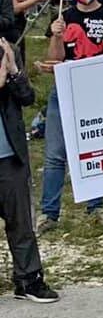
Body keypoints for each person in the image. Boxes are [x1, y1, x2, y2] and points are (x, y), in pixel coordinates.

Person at [36, 0, 103, 230]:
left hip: (94, 92)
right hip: (63, 91)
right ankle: (49, 213)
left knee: (93, 151)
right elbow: (55, 58)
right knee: (55, 155)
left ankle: (96, 206)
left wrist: (69, 68)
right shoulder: (64, 17)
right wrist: (56, 35)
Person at [0, 39, 55, 302]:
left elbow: (28, 97)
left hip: (10, 156)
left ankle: (29, 280)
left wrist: (13, 71)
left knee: (20, 222)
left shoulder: (6, 50)